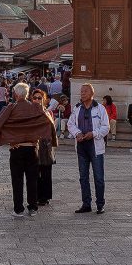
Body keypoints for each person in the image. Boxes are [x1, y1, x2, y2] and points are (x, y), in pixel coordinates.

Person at [0, 83, 55, 218]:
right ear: (26, 94)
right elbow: (48, 120)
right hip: (32, 148)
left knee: (17, 180)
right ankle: (33, 207)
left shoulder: (11, 108)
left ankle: (18, 209)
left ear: (16, 94)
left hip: (16, 149)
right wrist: (50, 139)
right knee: (32, 179)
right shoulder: (35, 107)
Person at [67, 83, 109, 214]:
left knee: (98, 177)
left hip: (95, 146)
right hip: (81, 146)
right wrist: (77, 133)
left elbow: (106, 127)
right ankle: (86, 203)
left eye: (85, 91)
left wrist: (94, 133)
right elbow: (70, 124)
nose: (82, 93)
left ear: (92, 94)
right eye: (81, 91)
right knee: (83, 177)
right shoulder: (77, 108)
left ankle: (100, 204)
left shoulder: (100, 108)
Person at [31, 88, 57, 206]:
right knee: (35, 172)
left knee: (46, 171)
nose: (37, 100)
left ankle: (45, 197)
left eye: (39, 98)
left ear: (44, 100)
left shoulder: (48, 112)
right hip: (34, 144)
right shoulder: (29, 112)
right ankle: (36, 195)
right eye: (34, 98)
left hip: (46, 145)